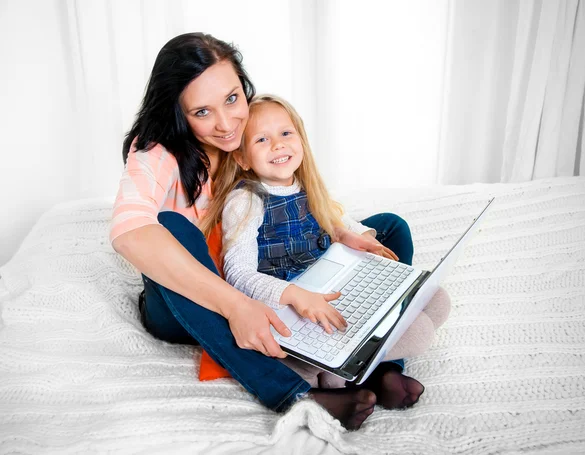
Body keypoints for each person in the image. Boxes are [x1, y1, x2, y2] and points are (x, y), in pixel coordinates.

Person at [110, 32, 447, 431]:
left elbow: (288, 201)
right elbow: (129, 230)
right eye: (202, 112)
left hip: (265, 273)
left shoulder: (250, 130)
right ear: (178, 113)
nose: (225, 123)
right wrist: (236, 305)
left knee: (388, 230)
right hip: (189, 300)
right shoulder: (156, 153)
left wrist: (340, 231)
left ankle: (375, 362)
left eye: (232, 99)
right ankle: (293, 393)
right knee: (173, 227)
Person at [200, 94, 451, 402]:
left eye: (285, 133)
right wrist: (294, 295)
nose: (278, 145)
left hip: (327, 285)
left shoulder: (304, 184)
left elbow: (334, 218)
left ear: (301, 139)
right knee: (420, 330)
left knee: (435, 298)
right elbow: (238, 275)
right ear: (242, 158)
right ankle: (349, 371)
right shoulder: (246, 199)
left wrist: (351, 235)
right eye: (262, 139)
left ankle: (360, 365)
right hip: (291, 303)